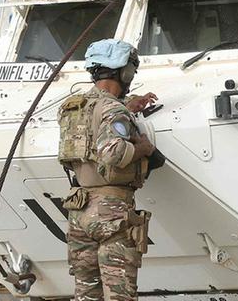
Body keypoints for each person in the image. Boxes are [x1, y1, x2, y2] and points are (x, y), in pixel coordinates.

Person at [59, 39, 158, 301]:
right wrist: (143, 149)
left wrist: (126, 107)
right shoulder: (113, 109)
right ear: (124, 73)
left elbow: (90, 136)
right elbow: (113, 152)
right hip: (111, 212)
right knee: (119, 293)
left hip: (79, 210)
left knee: (87, 293)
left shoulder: (73, 107)